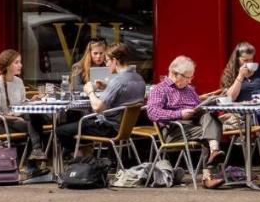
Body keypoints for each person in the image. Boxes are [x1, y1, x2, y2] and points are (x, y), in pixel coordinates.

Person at [145, 55, 225, 185]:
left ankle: (213, 153)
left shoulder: (189, 90)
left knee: (209, 117)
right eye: (188, 77)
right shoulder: (160, 89)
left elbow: (199, 109)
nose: (191, 81)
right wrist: (179, 114)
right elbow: (152, 112)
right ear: (175, 74)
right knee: (210, 132)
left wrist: (212, 106)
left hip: (194, 125)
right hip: (174, 129)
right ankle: (208, 175)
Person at [56, 44, 146, 156]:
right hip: (125, 128)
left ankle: (81, 160)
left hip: (108, 128)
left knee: (61, 130)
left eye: (107, 60)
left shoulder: (118, 81)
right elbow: (123, 96)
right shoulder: (139, 78)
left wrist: (90, 92)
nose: (106, 64)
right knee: (77, 124)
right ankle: (87, 158)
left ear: (115, 60)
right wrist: (106, 87)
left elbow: (98, 107)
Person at [0, 49, 48, 175]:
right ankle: (32, 164)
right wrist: (13, 118)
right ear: (7, 66)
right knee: (32, 126)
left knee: (36, 119)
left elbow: (20, 105)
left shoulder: (18, 82)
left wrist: (30, 101)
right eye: (16, 62)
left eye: (20, 62)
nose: (20, 65)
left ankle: (35, 157)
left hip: (14, 119)